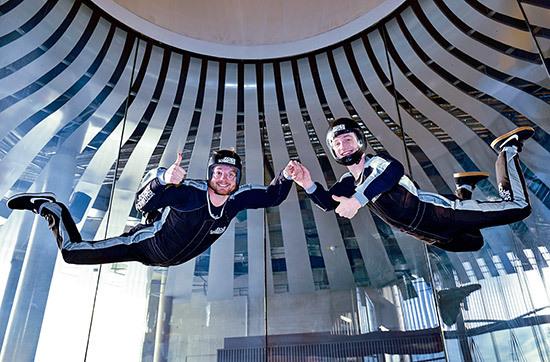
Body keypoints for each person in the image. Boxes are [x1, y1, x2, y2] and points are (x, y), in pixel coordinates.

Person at [8, 149, 299, 266]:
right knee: (73, 254)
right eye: (219, 172)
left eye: (231, 174)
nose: (225, 178)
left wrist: (287, 175)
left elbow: (272, 196)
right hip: (144, 245)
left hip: (161, 262)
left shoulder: (236, 201)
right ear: (210, 174)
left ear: (237, 180)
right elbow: (141, 202)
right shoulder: (190, 193)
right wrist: (163, 181)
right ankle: (51, 207)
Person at [288, 117, 533, 252]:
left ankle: (507, 149)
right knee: (475, 242)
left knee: (519, 207)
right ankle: (465, 186)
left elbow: (395, 172)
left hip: (445, 216)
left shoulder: (378, 163)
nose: (344, 146)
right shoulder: (349, 183)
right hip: (433, 236)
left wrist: (358, 201)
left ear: (360, 141)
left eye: (348, 139)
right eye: (338, 144)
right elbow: (328, 203)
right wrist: (307, 182)